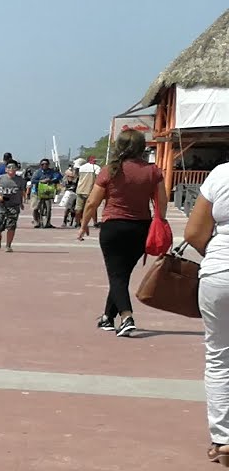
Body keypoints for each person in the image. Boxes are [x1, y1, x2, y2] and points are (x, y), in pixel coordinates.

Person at [78, 128, 166, 336]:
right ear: (142, 148)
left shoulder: (109, 170)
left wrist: (83, 225)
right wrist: (160, 222)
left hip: (113, 228)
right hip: (141, 228)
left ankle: (127, 317)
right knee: (121, 275)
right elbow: (161, 203)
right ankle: (108, 317)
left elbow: (92, 202)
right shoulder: (153, 171)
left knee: (117, 275)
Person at [185, 163, 229, 466]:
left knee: (219, 357)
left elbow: (194, 232)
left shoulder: (222, 174)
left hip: (220, 273)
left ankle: (224, 439)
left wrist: (215, 258)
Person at [0, 159, 24, 251]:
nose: (11, 169)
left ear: (16, 169)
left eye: (13, 167)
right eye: (9, 167)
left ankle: (8, 245)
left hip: (14, 205)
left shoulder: (20, 180)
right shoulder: (0, 178)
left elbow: (21, 192)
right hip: (1, 205)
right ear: (6, 169)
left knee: (11, 226)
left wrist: (21, 203)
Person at [29, 158, 63, 228]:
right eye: (43, 164)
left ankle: (48, 223)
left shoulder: (51, 171)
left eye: (46, 164)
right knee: (35, 207)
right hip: (37, 191)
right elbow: (33, 180)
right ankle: (36, 221)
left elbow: (59, 176)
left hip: (48, 191)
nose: (44, 165)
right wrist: (41, 181)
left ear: (48, 165)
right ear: (40, 165)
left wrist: (51, 179)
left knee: (49, 208)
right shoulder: (37, 172)